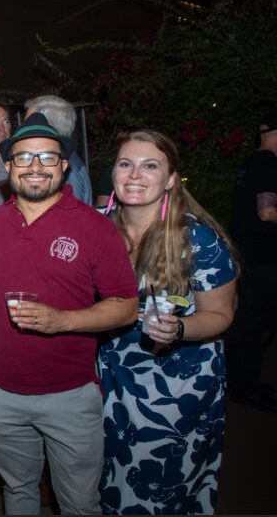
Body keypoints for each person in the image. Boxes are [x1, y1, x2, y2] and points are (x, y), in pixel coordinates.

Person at [0, 113, 138, 515]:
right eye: (25, 157)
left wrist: (63, 320)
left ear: (65, 166)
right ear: (9, 166)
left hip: (70, 395)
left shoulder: (96, 228)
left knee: (80, 505)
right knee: (17, 491)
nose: (35, 167)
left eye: (47, 158)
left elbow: (125, 307)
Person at [98, 130, 238, 514]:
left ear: (171, 179)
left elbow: (222, 314)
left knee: (160, 491)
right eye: (125, 164)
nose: (135, 175)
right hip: (109, 381)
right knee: (108, 484)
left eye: (150, 166)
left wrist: (179, 329)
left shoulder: (196, 239)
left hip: (176, 388)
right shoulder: (97, 230)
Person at [227, 109, 277, 411]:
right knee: (257, 324)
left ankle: (244, 382)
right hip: (263, 257)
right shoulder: (269, 164)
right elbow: (268, 212)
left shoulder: (252, 161)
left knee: (249, 321)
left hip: (249, 254)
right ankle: (245, 387)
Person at [24, 95, 93, 205]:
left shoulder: (68, 172)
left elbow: (69, 219)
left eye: (29, 123)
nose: (23, 128)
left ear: (49, 126)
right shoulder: (62, 162)